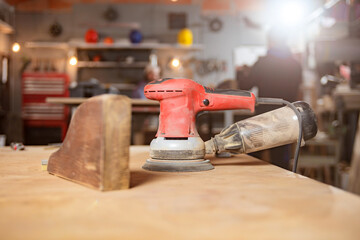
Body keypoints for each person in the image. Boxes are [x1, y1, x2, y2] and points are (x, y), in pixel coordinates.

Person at [239, 26, 302, 169]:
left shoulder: (263, 63)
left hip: (263, 117)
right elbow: (297, 92)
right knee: (281, 163)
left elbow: (245, 85)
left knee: (254, 160)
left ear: (271, 41)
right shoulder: (295, 65)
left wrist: (243, 72)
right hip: (285, 117)